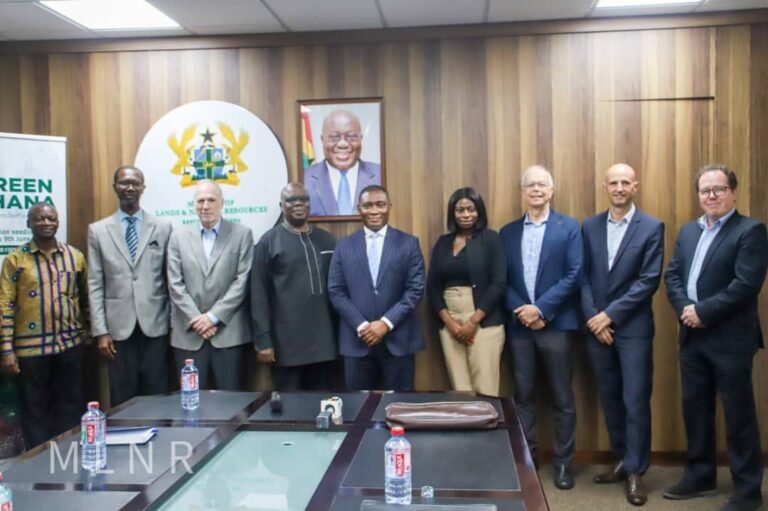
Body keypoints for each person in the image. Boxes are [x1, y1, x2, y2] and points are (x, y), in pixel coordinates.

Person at [664, 164, 767, 511]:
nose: (711, 196)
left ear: (734, 192)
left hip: (731, 340)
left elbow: (745, 285)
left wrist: (703, 312)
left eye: (719, 189)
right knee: (695, 410)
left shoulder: (751, 230)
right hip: (692, 336)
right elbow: (673, 275)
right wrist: (686, 310)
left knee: (738, 415)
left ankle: (748, 491)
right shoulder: (688, 231)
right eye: (705, 190)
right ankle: (701, 476)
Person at [581, 163, 664, 506]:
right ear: (605, 186)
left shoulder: (652, 227)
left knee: (634, 400)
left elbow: (648, 281)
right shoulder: (590, 226)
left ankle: (635, 471)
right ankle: (622, 459)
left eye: (625, 182)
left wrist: (608, 316)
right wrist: (593, 319)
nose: (618, 187)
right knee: (611, 397)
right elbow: (582, 276)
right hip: (596, 330)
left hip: (633, 329)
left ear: (636, 186)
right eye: (613, 182)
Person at [499, 165, 582, 490]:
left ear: (552, 190)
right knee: (524, 397)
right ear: (523, 191)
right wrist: (524, 311)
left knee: (562, 398)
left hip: (556, 324)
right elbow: (501, 279)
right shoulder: (507, 233)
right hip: (520, 327)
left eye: (542, 184)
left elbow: (575, 274)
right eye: (530, 185)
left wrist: (542, 308)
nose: (536, 189)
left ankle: (563, 465)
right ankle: (527, 461)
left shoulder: (569, 227)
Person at [0, 203, 88, 449]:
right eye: (39, 219)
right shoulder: (15, 260)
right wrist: (7, 350)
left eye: (51, 218)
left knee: (70, 407)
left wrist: (87, 334)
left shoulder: (75, 256)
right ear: (29, 223)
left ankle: (70, 457)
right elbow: (5, 306)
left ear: (58, 222)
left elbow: (85, 298)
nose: (46, 223)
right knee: (34, 412)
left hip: (69, 346)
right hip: (31, 351)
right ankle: (38, 464)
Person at [87, 165, 172, 407]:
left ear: (143, 188)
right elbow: (95, 282)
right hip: (118, 329)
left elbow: (171, 279)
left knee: (157, 393)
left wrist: (173, 325)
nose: (130, 188)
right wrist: (100, 331)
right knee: (123, 395)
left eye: (135, 183)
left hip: (155, 324)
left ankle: (161, 442)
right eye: (124, 183)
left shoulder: (162, 227)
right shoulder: (98, 230)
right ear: (115, 187)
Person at [328, 185, 425, 391]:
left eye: (380, 205)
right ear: (358, 209)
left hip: (398, 341)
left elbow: (415, 289)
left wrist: (385, 323)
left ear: (389, 207)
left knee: (399, 407)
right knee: (358, 410)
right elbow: (336, 290)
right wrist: (363, 326)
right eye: (367, 206)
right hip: (357, 342)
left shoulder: (408, 243)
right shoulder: (343, 246)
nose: (374, 211)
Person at [167, 180, 253, 390]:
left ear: (222, 203)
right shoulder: (178, 236)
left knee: (231, 402)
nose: (205, 206)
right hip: (189, 334)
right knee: (191, 403)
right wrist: (198, 320)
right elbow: (174, 283)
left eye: (211, 200)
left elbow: (243, 280)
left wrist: (213, 317)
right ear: (194, 204)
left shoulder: (242, 234)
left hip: (227, 334)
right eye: (200, 201)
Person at [250, 182, 337, 391]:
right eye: (291, 200)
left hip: (325, 345)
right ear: (281, 205)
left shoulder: (327, 240)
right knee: (291, 410)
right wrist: (263, 341)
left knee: (324, 408)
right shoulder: (269, 242)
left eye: (303, 199)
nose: (298, 204)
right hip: (285, 347)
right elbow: (258, 294)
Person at [427, 187, 506, 396]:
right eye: (460, 210)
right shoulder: (443, 243)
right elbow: (433, 286)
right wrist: (451, 324)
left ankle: (489, 429)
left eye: (471, 209)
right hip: (450, 322)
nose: (465, 215)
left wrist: (472, 322)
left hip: (484, 321)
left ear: (479, 211)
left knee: (485, 389)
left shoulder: (491, 239)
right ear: (452, 213)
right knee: (460, 391)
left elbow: (499, 283)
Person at [304, 109, 381, 216]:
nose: (343, 144)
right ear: (322, 139)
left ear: (360, 139)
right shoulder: (304, 178)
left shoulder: (381, 174)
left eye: (351, 137)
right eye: (334, 137)